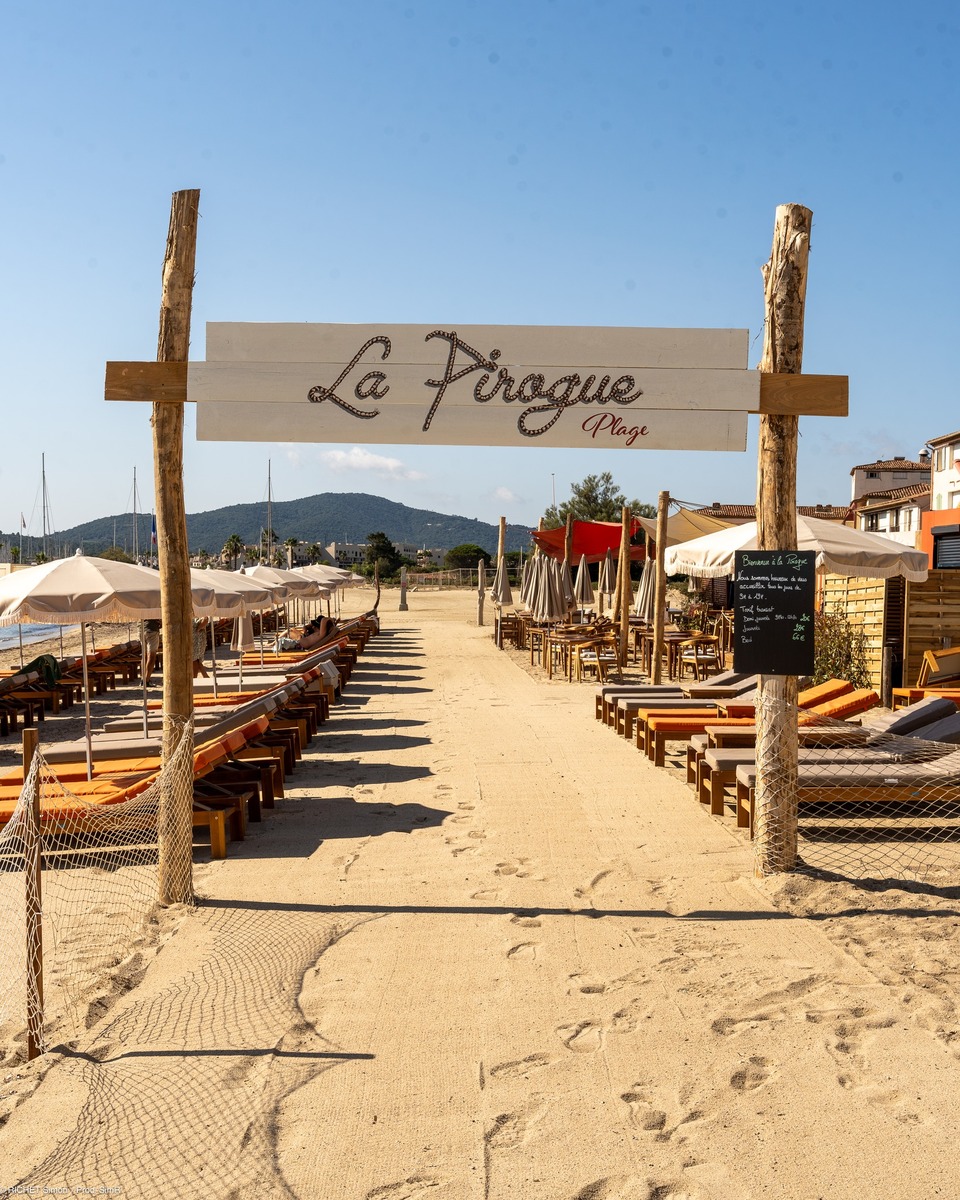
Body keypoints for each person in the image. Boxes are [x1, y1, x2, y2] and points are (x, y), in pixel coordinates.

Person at [143, 619, 161, 685]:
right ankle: (146, 680)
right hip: (152, 629)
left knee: (145, 655)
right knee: (151, 655)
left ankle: (143, 679)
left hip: (141, 629)